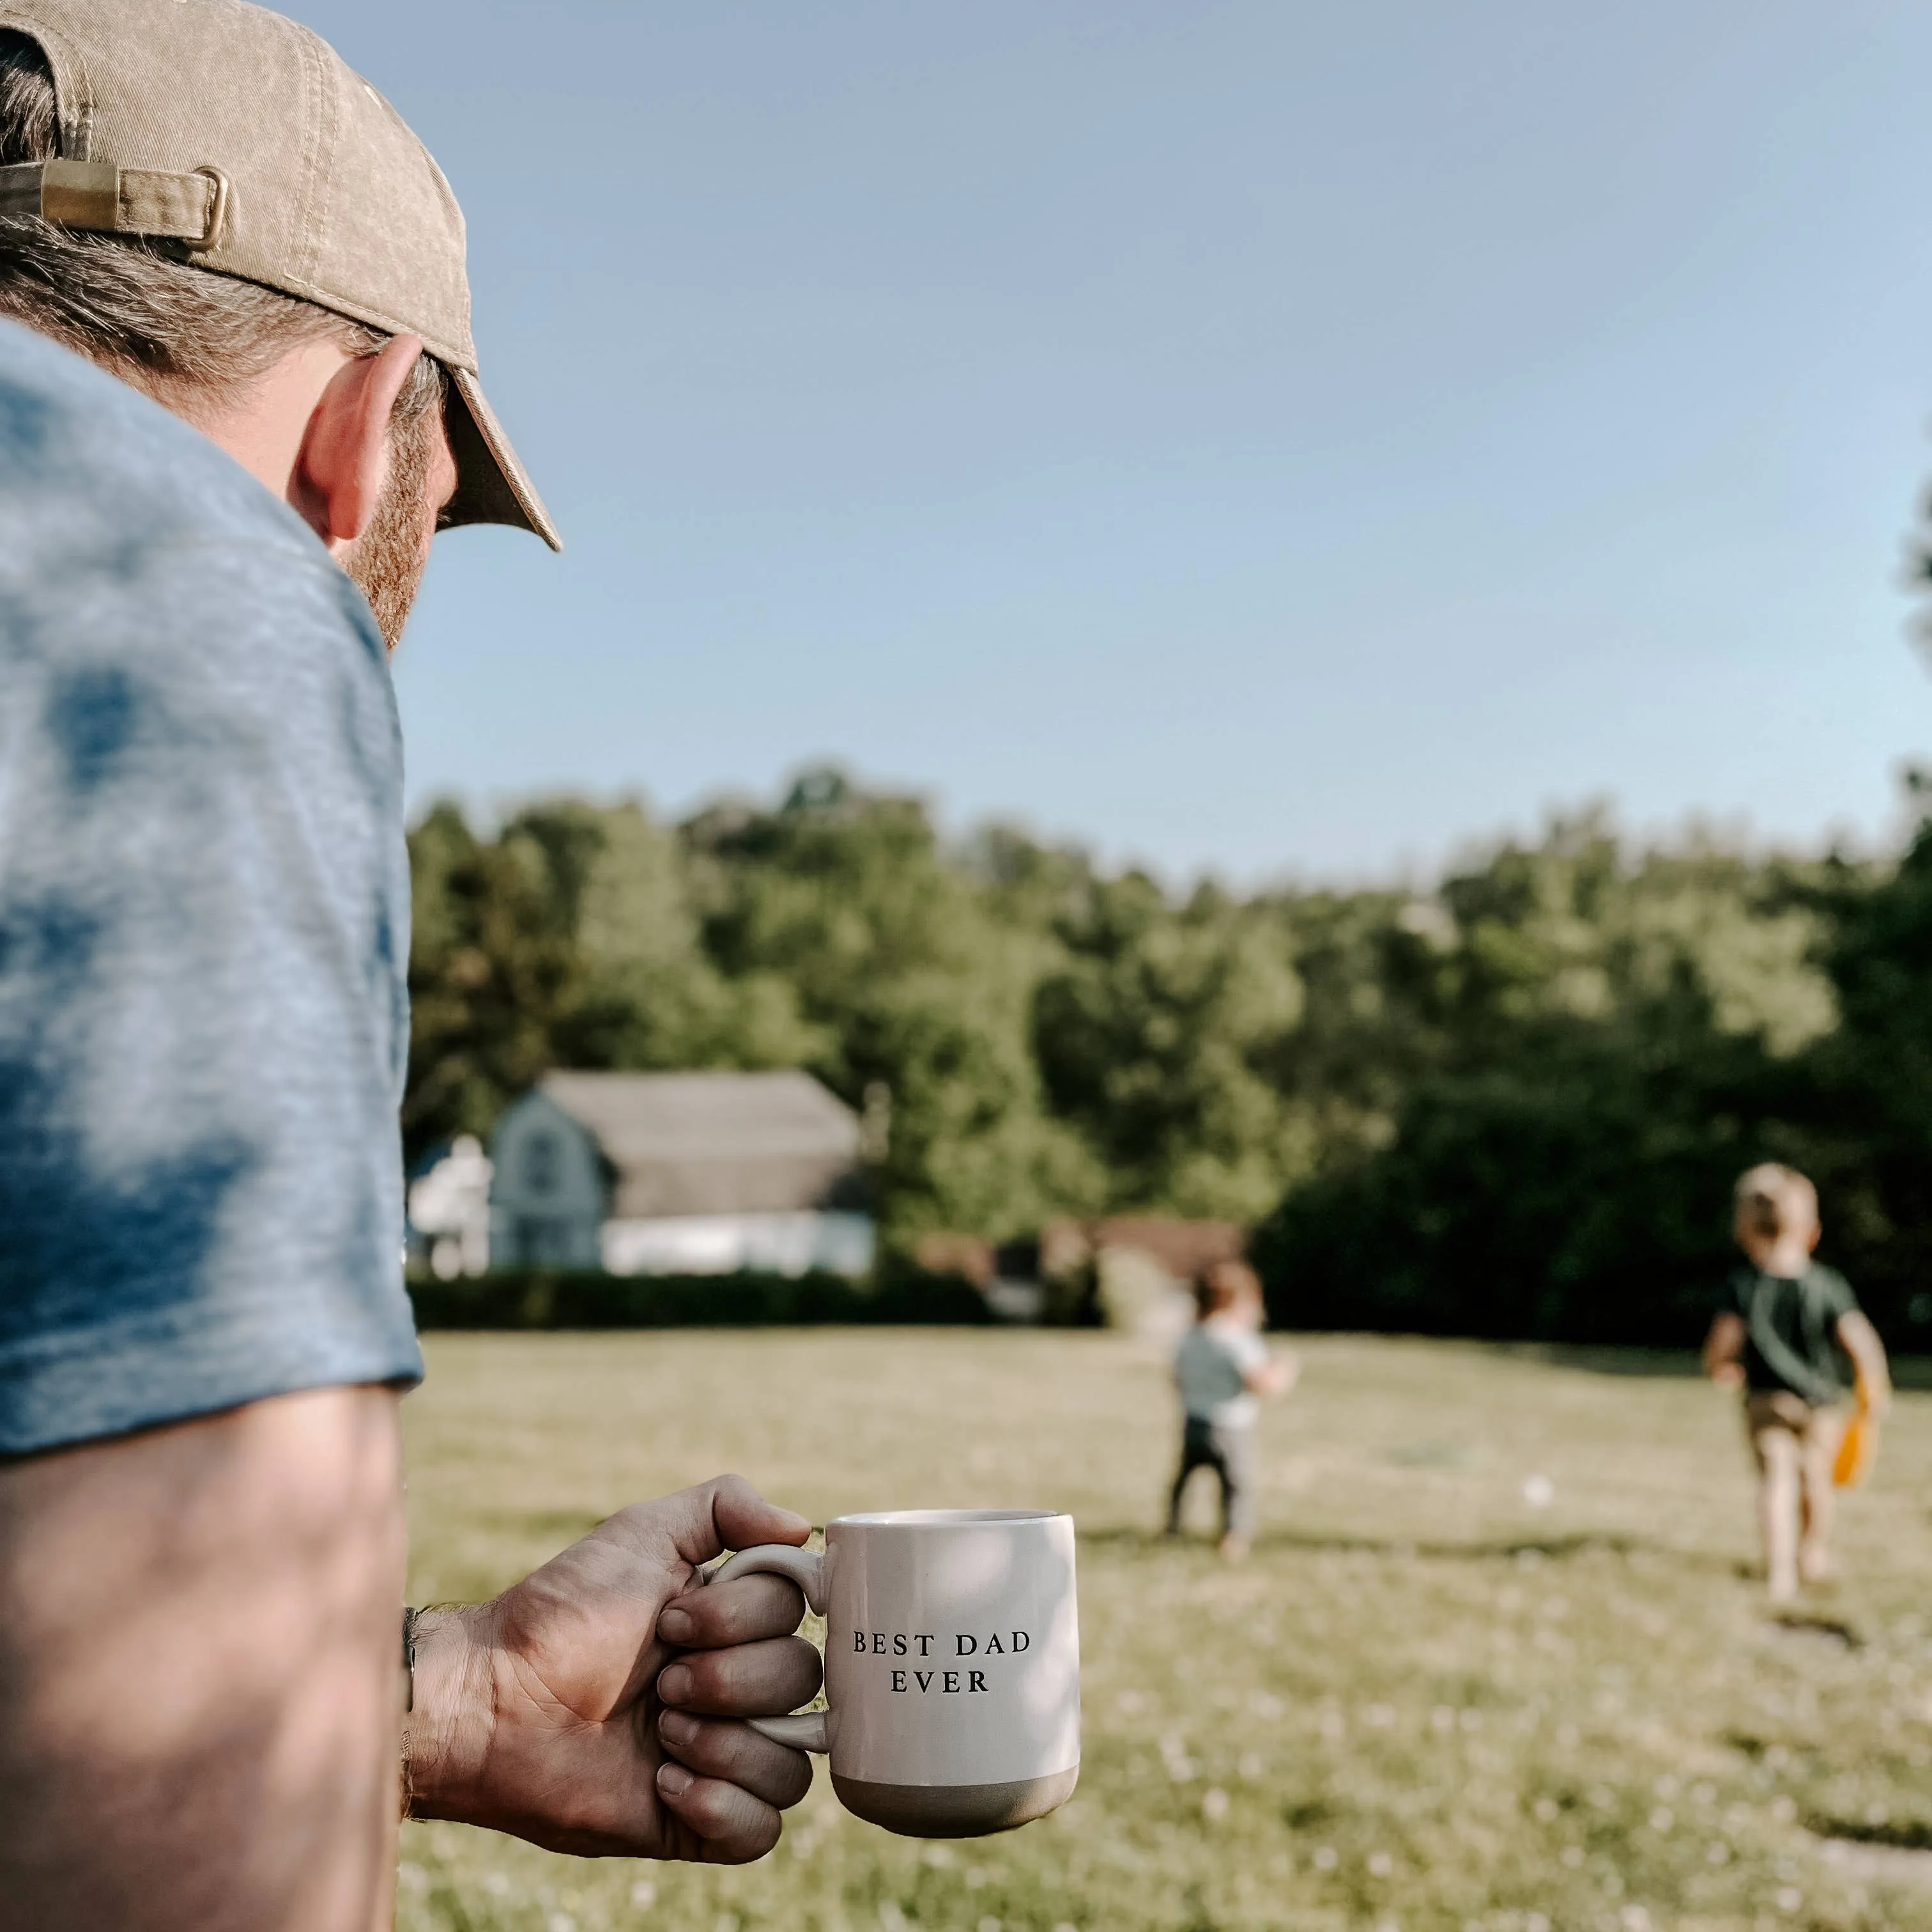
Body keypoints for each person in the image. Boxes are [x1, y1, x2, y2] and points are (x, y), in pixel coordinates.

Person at [0, 5, 818, 1926]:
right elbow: (191, 1883)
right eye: (429, 529)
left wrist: (439, 1704)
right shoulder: (159, 595)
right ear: (358, 443)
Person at [1701, 1163, 1892, 1605]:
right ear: (1812, 1231)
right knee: (1817, 1482)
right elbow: (1860, 1341)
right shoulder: (1826, 1284)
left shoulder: (1744, 1285)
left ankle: (1780, 1572)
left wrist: (1721, 1368)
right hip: (1822, 1403)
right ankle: (1813, 1554)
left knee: (1776, 1482)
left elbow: (1722, 1344)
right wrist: (1874, 1384)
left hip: (1767, 1401)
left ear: (1744, 1231)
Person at [1164, 1259, 1297, 1560]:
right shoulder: (1237, 1340)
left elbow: (1176, 1378)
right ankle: (1233, 1538)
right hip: (1231, 1426)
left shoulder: (1191, 1336)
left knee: (1184, 1478)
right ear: (1238, 1301)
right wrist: (1285, 1370)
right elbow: (1261, 1383)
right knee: (1237, 1485)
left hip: (1194, 1422)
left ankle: (1173, 1526)